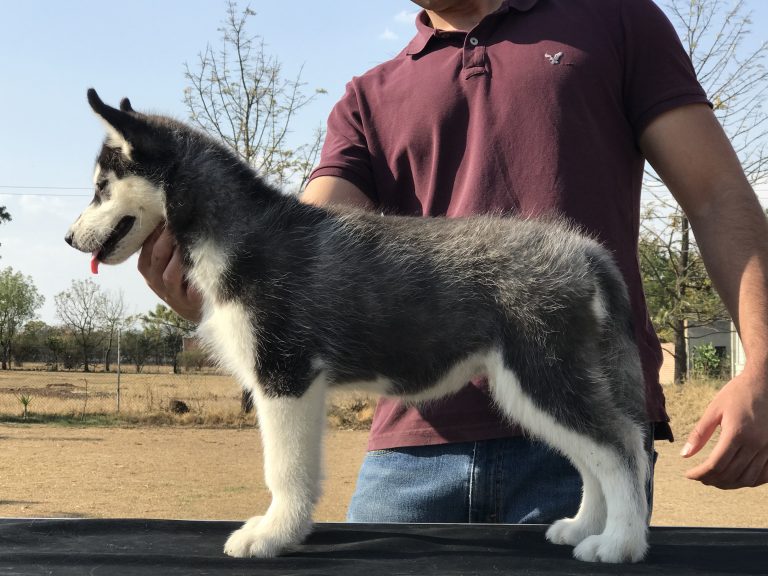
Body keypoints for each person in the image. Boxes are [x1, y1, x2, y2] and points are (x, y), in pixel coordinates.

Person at [139, 0, 768, 524]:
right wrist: (211, 283)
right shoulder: (367, 95)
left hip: (573, 427)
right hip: (409, 454)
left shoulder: (615, 19)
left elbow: (716, 197)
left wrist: (764, 365)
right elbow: (293, 266)